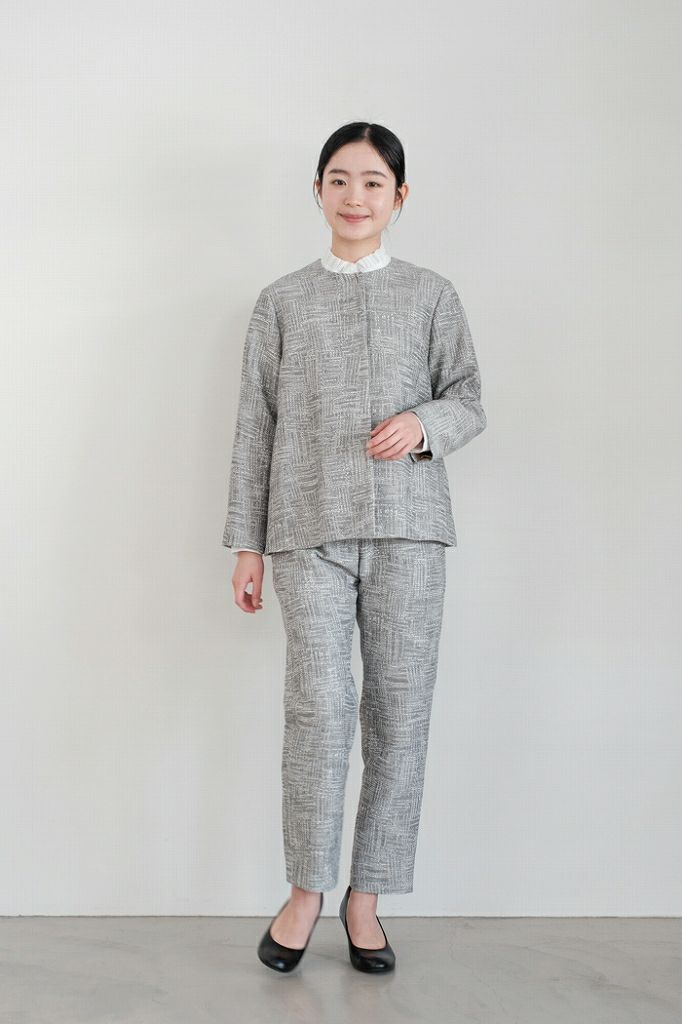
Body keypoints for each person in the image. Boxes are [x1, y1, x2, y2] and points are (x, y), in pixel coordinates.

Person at [222, 121, 487, 973]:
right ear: (317, 191)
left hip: (411, 531)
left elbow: (469, 399)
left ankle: (366, 899)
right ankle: (306, 892)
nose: (355, 196)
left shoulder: (433, 295)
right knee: (319, 709)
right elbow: (255, 426)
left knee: (400, 714)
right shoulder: (282, 301)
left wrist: (424, 425)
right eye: (339, 179)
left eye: (373, 182)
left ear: (399, 196)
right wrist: (247, 543)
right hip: (307, 531)